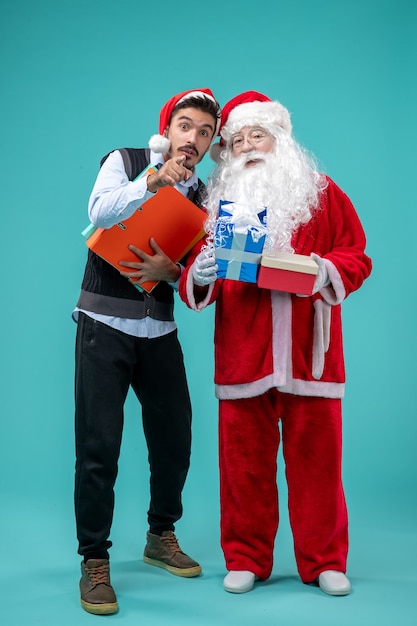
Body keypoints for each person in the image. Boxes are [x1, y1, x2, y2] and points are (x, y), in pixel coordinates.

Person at [179, 91, 372, 596]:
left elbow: (356, 254)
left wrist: (324, 269)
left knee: (319, 466)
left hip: (313, 356)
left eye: (256, 136)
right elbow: (196, 284)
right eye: (237, 140)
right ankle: (245, 557)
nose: (247, 147)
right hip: (244, 354)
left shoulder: (323, 193)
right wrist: (199, 272)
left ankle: (324, 560)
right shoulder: (218, 206)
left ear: (279, 139)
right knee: (242, 467)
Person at [73, 88, 221, 615]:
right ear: (168, 128)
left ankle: (162, 535)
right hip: (102, 324)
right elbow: (98, 210)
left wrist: (174, 272)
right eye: (186, 126)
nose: (194, 139)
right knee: (99, 446)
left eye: (205, 132)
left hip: (158, 329)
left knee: (174, 436)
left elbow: (202, 269)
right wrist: (151, 181)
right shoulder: (127, 161)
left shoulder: (206, 195)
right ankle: (94, 560)